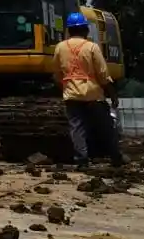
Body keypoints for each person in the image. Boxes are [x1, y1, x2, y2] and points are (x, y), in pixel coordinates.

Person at [52, 11, 123, 167]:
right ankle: (115, 157)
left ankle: (82, 160)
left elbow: (57, 75)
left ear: (69, 30)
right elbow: (103, 75)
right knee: (106, 127)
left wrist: (65, 87)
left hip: (71, 95)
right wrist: (113, 96)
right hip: (93, 95)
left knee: (77, 128)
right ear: (85, 29)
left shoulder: (60, 48)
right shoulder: (91, 47)